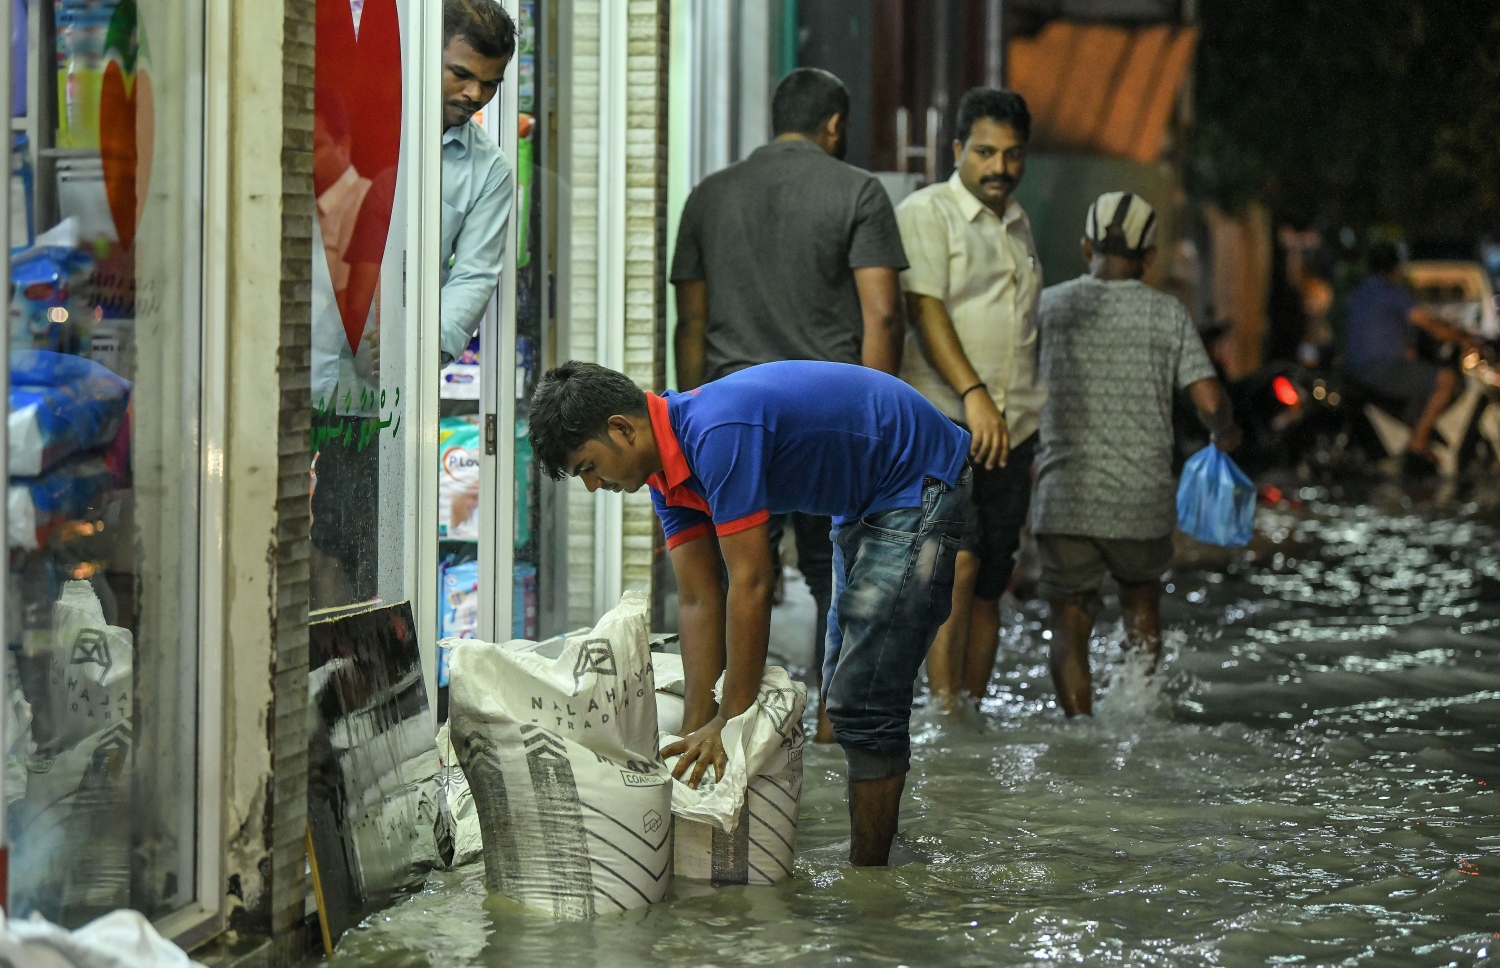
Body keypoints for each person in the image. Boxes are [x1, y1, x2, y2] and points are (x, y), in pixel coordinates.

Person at [528, 360, 970, 866]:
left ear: (622, 429)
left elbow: (752, 582)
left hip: (917, 475)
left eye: (587, 466)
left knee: (861, 700)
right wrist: (693, 731)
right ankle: (876, 852)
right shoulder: (665, 476)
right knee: (842, 687)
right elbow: (699, 598)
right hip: (863, 500)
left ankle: (870, 880)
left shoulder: (717, 431)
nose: (592, 484)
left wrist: (729, 718)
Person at [671, 67, 908, 738]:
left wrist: (688, 422)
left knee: (732, 579)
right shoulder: (858, 191)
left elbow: (690, 321)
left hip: (725, 424)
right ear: (835, 126)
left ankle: (716, 724)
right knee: (838, 571)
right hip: (827, 422)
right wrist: (879, 423)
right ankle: (834, 713)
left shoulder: (708, 197)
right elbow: (884, 318)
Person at [309, 0, 515, 608]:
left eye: (490, 83)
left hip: (376, 407)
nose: (476, 94)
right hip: (288, 378)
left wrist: (414, 349)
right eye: (462, 74)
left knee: (349, 560)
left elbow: (474, 279)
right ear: (426, 51)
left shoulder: (488, 172)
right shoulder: (343, 125)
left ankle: (340, 697)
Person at [1033, 192, 1241, 716]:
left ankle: (1079, 734)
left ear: (1086, 246)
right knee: (1141, 605)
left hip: (1065, 497)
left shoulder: (1049, 307)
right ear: (1149, 257)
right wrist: (1225, 434)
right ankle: (1138, 717)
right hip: (1140, 500)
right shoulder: (1167, 312)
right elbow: (1210, 401)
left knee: (1068, 625)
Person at [895, 87, 1043, 704]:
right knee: (952, 568)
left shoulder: (1017, 222)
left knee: (991, 580)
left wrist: (1007, 408)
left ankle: (969, 722)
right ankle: (943, 709)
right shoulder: (928, 212)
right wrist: (974, 393)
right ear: (957, 150)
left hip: (1016, 428)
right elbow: (923, 309)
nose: (999, 168)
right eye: (985, 152)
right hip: (947, 421)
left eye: (1011, 155)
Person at [1344, 241, 1481, 468]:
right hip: (1381, 371)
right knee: (1446, 379)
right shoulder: (1392, 291)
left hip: (1355, 369)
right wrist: (1464, 339)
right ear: (1396, 268)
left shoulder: (1361, 291)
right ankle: (1418, 441)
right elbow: (1428, 323)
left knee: (1415, 370)